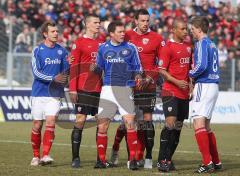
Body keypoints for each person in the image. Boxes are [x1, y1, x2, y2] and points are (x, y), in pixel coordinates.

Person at [111, 9, 164, 169]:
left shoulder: (157, 38)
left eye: (147, 20)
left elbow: (161, 63)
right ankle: (126, 155)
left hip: (149, 84)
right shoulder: (126, 35)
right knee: (128, 122)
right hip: (129, 84)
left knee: (146, 121)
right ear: (135, 21)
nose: (145, 23)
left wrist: (150, 77)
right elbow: (114, 51)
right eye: (142, 20)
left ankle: (147, 157)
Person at [94, 21, 142, 170]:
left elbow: (138, 67)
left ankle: (132, 160)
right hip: (107, 89)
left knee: (130, 124)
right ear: (111, 34)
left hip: (125, 88)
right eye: (120, 32)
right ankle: (101, 160)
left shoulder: (131, 47)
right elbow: (98, 68)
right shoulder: (102, 48)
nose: (123, 34)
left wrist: (138, 76)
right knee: (102, 126)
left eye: (123, 31)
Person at [30, 21, 69, 166]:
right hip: (38, 93)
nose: (56, 34)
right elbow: (36, 72)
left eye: (57, 31)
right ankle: (35, 156)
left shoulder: (62, 51)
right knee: (37, 125)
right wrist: (53, 78)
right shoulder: (37, 50)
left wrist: (65, 78)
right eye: (53, 31)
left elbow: (66, 72)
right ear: (45, 34)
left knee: (51, 122)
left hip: (54, 94)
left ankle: (45, 155)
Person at [156, 18, 192, 172]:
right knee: (170, 124)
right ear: (174, 30)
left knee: (177, 129)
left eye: (186, 29)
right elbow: (161, 70)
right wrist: (177, 82)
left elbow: (189, 69)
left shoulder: (188, 47)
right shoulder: (167, 47)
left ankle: (168, 159)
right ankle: (161, 160)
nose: (186, 31)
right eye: (183, 29)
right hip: (170, 91)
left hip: (184, 93)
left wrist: (191, 84)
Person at [69, 14, 104, 168]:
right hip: (83, 88)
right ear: (87, 24)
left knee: (102, 123)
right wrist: (72, 89)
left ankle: (100, 159)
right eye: (95, 22)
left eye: (99, 22)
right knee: (80, 121)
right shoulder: (79, 43)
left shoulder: (102, 44)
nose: (98, 25)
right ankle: (75, 158)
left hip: (100, 89)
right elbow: (73, 67)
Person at [189, 16, 221, 173]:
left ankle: (207, 163)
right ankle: (216, 161)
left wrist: (189, 73)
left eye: (193, 30)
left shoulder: (201, 43)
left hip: (204, 85)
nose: (192, 32)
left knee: (198, 124)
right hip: (213, 85)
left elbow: (201, 65)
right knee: (206, 126)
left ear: (199, 29)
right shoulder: (213, 44)